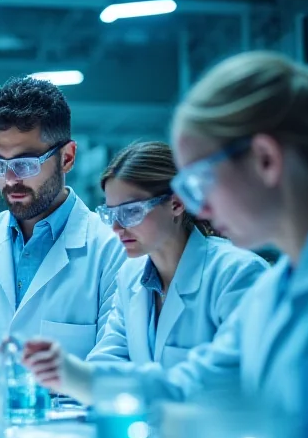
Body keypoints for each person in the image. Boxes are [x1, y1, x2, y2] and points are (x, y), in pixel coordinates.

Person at [39, 51, 308, 413]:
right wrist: (71, 375)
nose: (201, 209)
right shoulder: (274, 288)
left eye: (202, 181)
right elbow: (191, 387)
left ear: (265, 159)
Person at [21, 141, 268, 403]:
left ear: (176, 203)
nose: (116, 227)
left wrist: (82, 379)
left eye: (130, 212)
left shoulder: (238, 275)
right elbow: (110, 357)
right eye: (110, 214)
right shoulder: (131, 277)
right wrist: (64, 373)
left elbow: (222, 383)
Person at [0, 76, 126, 371]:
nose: (11, 179)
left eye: (25, 164)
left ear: (67, 158)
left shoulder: (111, 248)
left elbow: (114, 364)